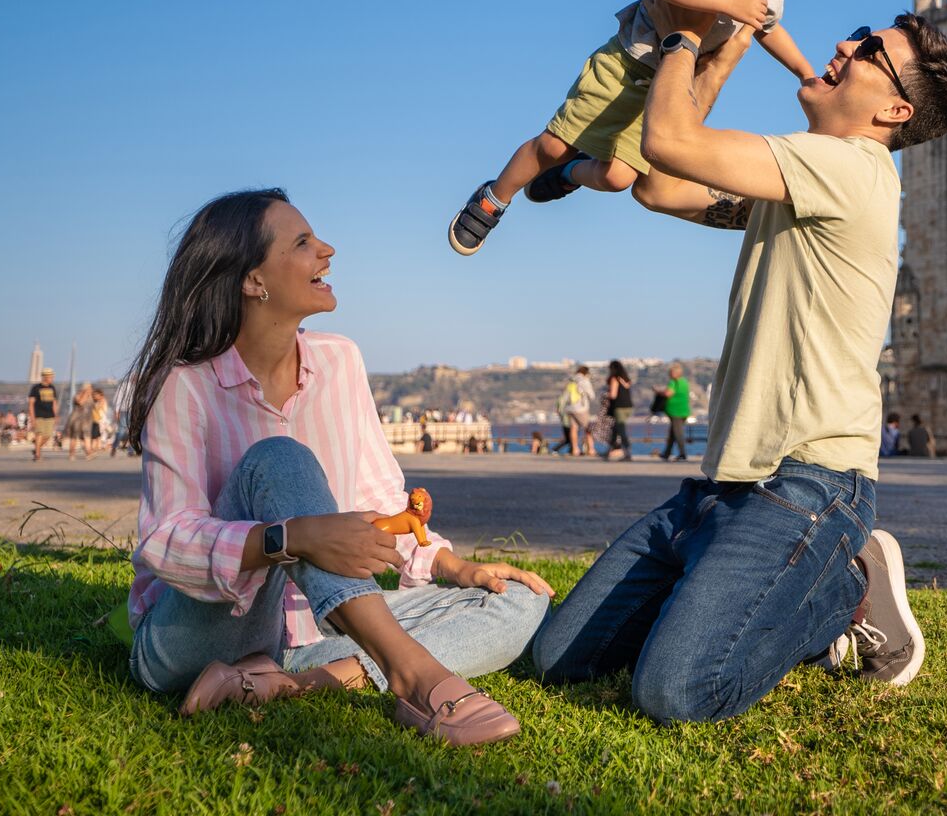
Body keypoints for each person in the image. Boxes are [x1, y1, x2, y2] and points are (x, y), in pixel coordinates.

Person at [531, 9, 947, 722]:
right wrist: (724, 48)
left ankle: (843, 589)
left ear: (894, 109)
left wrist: (681, 32)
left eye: (866, 50)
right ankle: (725, 588)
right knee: (559, 662)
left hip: (808, 481)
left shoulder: (854, 167)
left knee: (675, 692)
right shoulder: (802, 174)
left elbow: (668, 140)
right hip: (715, 489)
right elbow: (658, 183)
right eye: (857, 32)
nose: (841, 44)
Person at [124, 188, 552, 744]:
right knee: (279, 459)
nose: (327, 250)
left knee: (519, 600)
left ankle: (299, 683)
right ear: (254, 281)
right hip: (201, 633)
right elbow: (165, 542)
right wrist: (293, 538)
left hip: (316, 629)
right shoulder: (185, 386)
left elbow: (377, 495)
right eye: (302, 242)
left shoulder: (339, 359)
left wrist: (452, 566)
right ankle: (414, 676)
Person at [447, 0, 829, 256]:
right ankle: (494, 196)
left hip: (665, 88)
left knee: (618, 178)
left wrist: (805, 73)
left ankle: (570, 174)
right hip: (627, 64)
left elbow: (769, 30)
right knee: (554, 144)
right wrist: (728, 3)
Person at [556, 367, 594, 457]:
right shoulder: (584, 381)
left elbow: (564, 396)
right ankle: (591, 449)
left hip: (569, 408)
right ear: (586, 373)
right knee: (588, 429)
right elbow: (591, 395)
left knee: (574, 428)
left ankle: (575, 449)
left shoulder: (571, 381)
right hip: (581, 408)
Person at [658, 362, 691, 462]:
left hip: (676, 412)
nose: (670, 373)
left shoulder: (673, 382)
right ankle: (666, 453)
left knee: (678, 434)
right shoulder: (684, 382)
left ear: (677, 373)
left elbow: (668, 393)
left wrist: (658, 392)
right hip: (684, 410)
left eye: (672, 372)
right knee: (673, 433)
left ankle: (682, 453)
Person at [603, 360, 634, 461]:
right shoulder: (625, 379)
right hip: (628, 407)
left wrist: (605, 395)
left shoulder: (614, 378)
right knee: (615, 429)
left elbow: (613, 395)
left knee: (621, 430)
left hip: (619, 407)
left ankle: (627, 452)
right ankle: (609, 451)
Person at [27, 368, 60, 462]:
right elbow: (31, 403)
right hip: (39, 415)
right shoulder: (36, 388)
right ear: (45, 377)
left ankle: (36, 448)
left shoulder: (52, 387)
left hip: (50, 415)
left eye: (52, 376)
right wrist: (32, 418)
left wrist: (56, 415)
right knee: (39, 434)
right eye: (50, 376)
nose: (52, 378)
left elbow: (54, 402)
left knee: (48, 435)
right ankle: (37, 455)